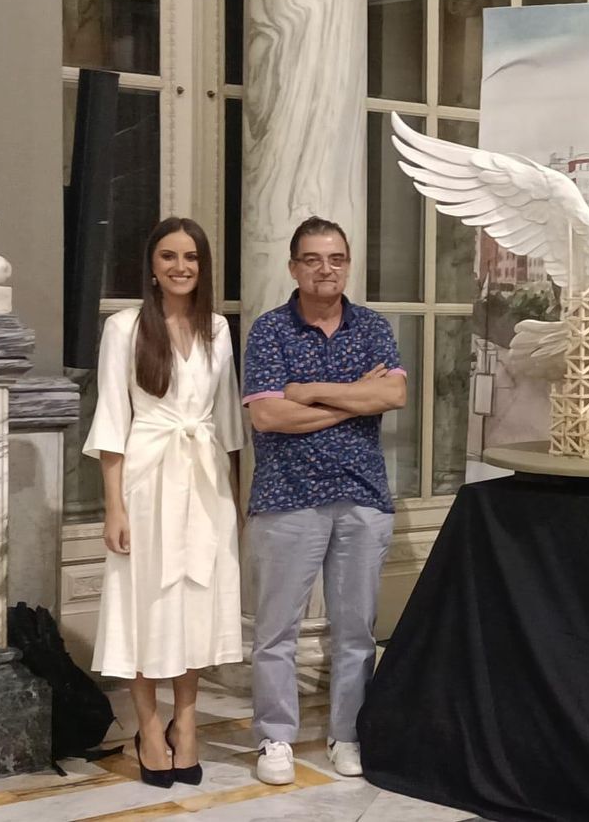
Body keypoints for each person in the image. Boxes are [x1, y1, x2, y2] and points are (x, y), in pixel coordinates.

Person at [242, 216, 407, 785]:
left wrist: (309, 391)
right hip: (287, 498)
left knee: (357, 631)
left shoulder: (372, 327)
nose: (325, 268)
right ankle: (275, 740)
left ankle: (347, 735)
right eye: (312, 259)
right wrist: (356, 397)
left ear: (348, 263)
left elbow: (395, 392)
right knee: (276, 632)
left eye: (336, 258)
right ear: (293, 267)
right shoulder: (269, 331)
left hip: (362, 497)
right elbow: (267, 414)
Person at [84, 217, 245, 789]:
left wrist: (234, 504)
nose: (181, 267)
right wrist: (114, 507)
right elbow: (110, 421)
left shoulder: (218, 330)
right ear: (151, 266)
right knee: (146, 605)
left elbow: (227, 424)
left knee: (195, 604)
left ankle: (188, 723)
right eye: (170, 256)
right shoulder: (124, 328)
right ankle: (149, 727)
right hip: (146, 484)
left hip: (204, 485)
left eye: (192, 258)